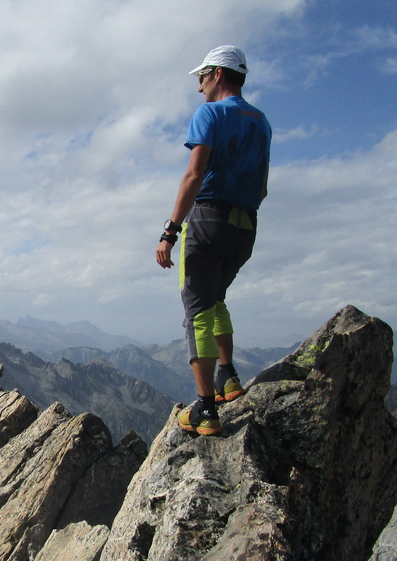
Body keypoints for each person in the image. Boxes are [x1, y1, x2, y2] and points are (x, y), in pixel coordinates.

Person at [156, 44, 271, 436]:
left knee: (197, 310)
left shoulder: (210, 113)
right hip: (245, 226)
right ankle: (229, 378)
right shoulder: (262, 122)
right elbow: (264, 188)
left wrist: (170, 231)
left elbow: (194, 174)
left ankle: (205, 409)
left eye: (202, 77)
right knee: (216, 299)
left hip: (208, 220)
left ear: (218, 74)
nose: (199, 87)